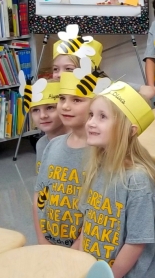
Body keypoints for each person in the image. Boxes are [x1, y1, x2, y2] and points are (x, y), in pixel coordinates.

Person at [73, 82, 155, 278]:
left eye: (102, 117)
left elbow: (135, 244)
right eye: (91, 115)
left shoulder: (138, 181)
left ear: (131, 129)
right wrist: (71, 263)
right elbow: (88, 226)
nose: (90, 122)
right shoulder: (97, 167)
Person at [33, 56, 109, 247]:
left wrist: (79, 246)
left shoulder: (102, 153)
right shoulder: (52, 145)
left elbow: (99, 211)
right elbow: (39, 196)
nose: (65, 106)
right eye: (62, 99)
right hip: (52, 243)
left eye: (76, 100)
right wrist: (43, 241)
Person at [29, 79, 65, 174]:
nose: (42, 116)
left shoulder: (79, 145)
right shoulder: (41, 144)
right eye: (36, 110)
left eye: (50, 108)